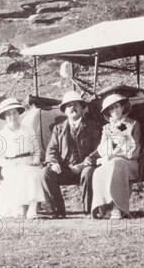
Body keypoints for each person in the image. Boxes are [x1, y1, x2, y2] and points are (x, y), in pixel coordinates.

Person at [40, 91, 101, 219]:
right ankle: (58, 211)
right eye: (68, 106)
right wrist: (54, 162)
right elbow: (52, 149)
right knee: (45, 172)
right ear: (65, 111)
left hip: (84, 167)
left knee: (89, 172)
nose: (72, 108)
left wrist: (85, 163)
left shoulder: (92, 126)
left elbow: (99, 148)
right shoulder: (59, 128)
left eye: (75, 104)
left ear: (82, 108)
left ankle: (89, 211)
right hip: (65, 169)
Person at [0, 97, 45, 220]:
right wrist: (11, 164)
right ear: (5, 117)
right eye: (9, 114)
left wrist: (36, 160)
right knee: (19, 174)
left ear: (19, 114)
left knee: (33, 174)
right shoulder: (1, 135)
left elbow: (37, 149)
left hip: (29, 162)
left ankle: (32, 208)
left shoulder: (28, 130)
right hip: (11, 166)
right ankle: (20, 207)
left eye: (14, 113)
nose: (12, 117)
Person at [91, 94, 141, 220]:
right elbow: (102, 148)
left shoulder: (133, 124)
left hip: (129, 161)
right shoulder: (106, 128)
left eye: (116, 107)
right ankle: (104, 208)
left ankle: (118, 208)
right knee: (98, 171)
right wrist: (106, 154)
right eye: (111, 109)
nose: (115, 111)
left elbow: (134, 150)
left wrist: (114, 155)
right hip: (110, 161)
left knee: (116, 164)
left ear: (123, 108)